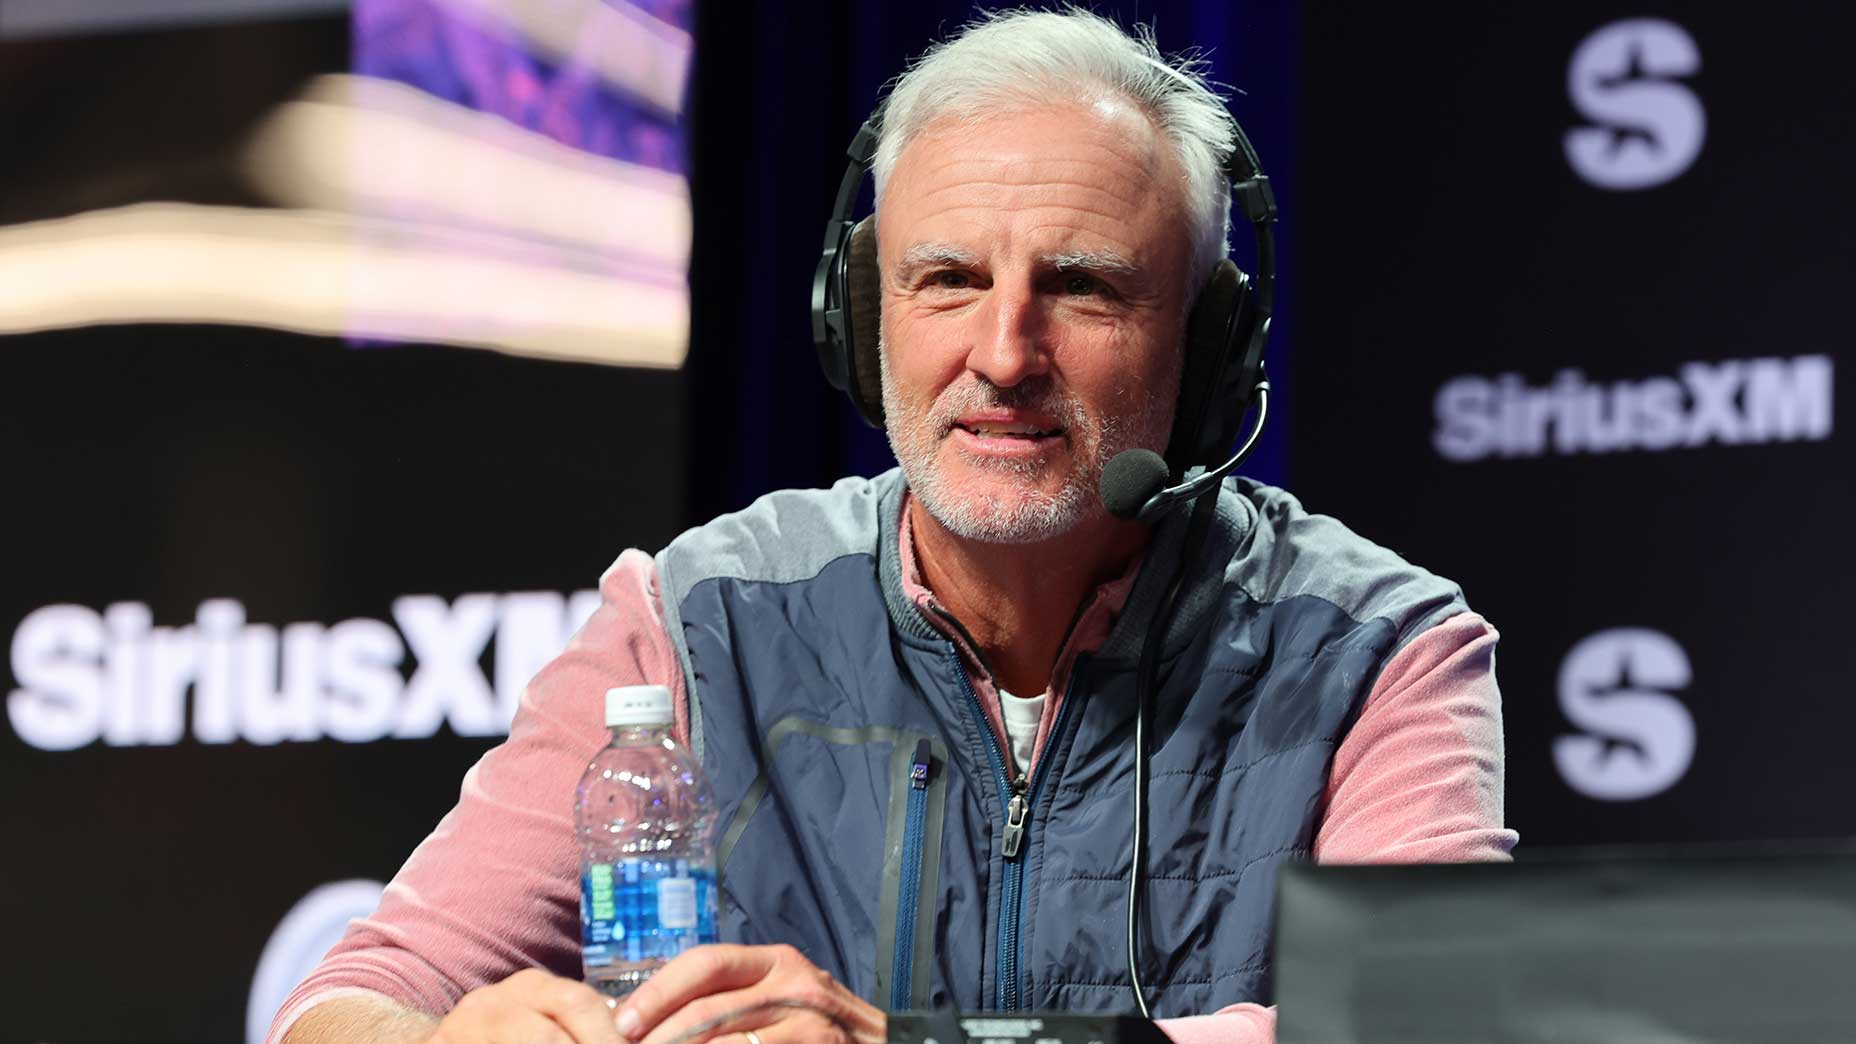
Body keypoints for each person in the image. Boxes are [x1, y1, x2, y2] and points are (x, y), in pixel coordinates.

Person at [270, 9, 1516, 1044]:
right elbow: (345, 1003)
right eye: (947, 279)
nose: (1004, 353)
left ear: (1205, 348)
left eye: (1081, 287)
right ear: (861, 315)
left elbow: (1435, 1027)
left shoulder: (1377, 649)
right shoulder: (697, 618)